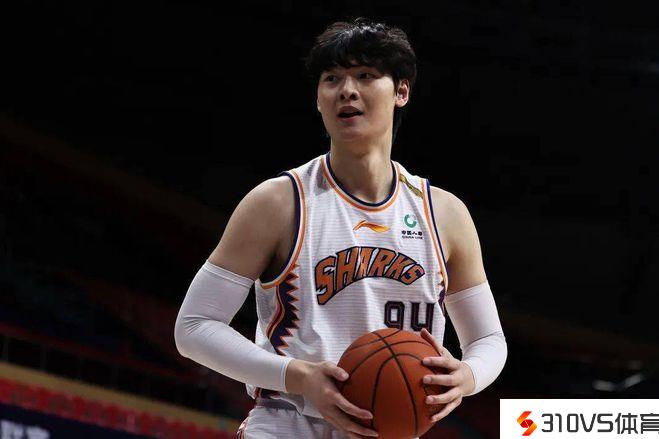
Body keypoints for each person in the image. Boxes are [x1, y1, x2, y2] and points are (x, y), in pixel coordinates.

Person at [174, 18, 507, 439]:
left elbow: (488, 339)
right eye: (332, 79)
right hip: (289, 426)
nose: (347, 90)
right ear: (318, 99)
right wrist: (299, 375)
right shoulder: (279, 203)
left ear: (401, 91)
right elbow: (194, 327)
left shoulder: (445, 214)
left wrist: (468, 376)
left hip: (392, 430)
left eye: (365, 75)